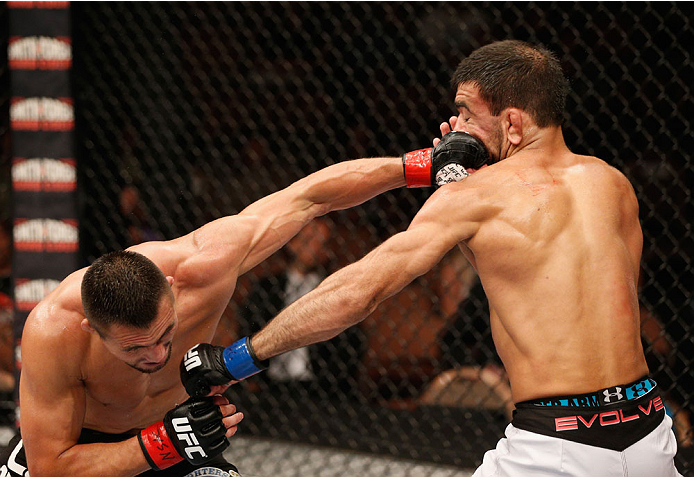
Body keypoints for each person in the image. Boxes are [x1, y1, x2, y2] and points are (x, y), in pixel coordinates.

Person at [181, 40, 682, 476]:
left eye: (465, 112)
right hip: (649, 435)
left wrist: (237, 358)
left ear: (511, 121)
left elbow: (359, 290)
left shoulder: (474, 197)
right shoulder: (613, 184)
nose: (455, 125)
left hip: (556, 447)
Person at [0, 131, 487, 477]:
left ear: (171, 288)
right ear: (92, 328)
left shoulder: (203, 266)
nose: (155, 357)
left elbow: (309, 198)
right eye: (133, 350)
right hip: (90, 451)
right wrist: (163, 444)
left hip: (171, 432)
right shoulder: (53, 331)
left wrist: (420, 164)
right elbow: (52, 466)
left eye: (165, 336)